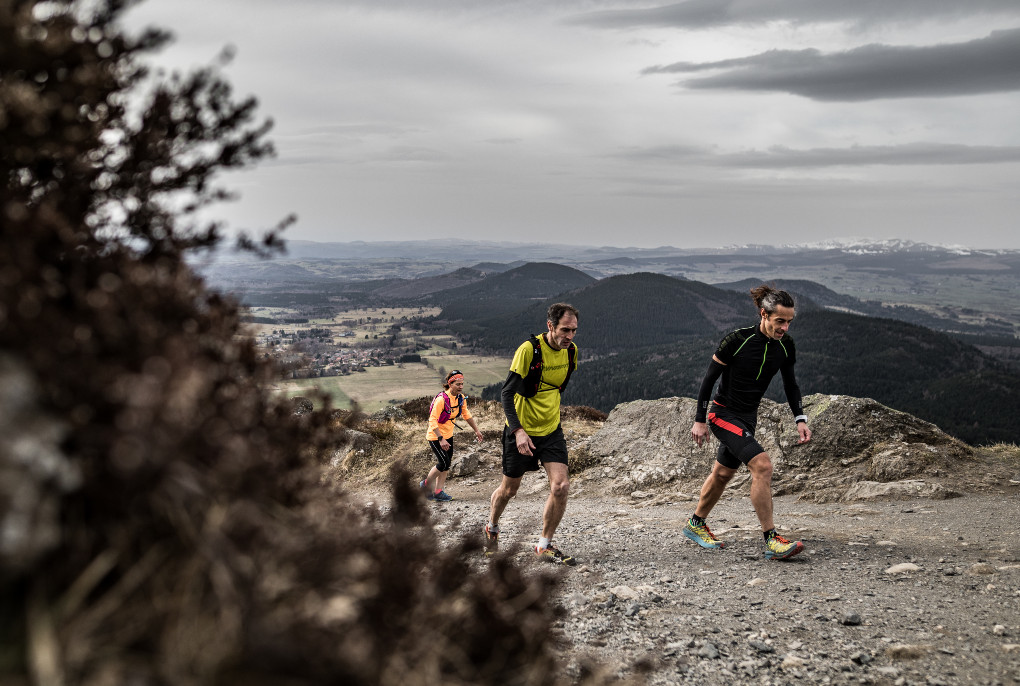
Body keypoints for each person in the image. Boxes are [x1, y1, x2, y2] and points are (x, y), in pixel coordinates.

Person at [687, 285, 812, 560]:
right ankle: (772, 540)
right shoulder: (736, 340)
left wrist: (800, 419)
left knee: (722, 474)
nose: (785, 328)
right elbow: (708, 380)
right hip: (723, 414)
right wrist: (700, 420)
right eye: (780, 321)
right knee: (762, 465)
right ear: (763, 314)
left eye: (789, 322)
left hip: (748, 417)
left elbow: (790, 384)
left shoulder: (785, 345)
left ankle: (695, 524)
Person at [485, 303, 579, 565]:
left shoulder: (571, 352)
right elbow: (506, 393)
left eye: (573, 331)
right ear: (550, 326)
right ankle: (492, 527)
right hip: (521, 430)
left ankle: (544, 545)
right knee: (509, 490)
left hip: (550, 430)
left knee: (561, 486)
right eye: (564, 330)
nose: (569, 336)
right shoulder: (529, 351)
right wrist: (518, 431)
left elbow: (557, 388)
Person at [420, 370, 484, 502]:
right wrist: (440, 438)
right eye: (458, 384)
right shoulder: (441, 399)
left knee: (446, 465)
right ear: (450, 384)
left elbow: (467, 415)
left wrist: (477, 430)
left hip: (448, 435)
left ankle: (438, 492)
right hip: (435, 436)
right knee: (444, 462)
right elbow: (432, 420)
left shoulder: (460, 398)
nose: (461, 387)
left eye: (462, 384)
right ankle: (425, 485)